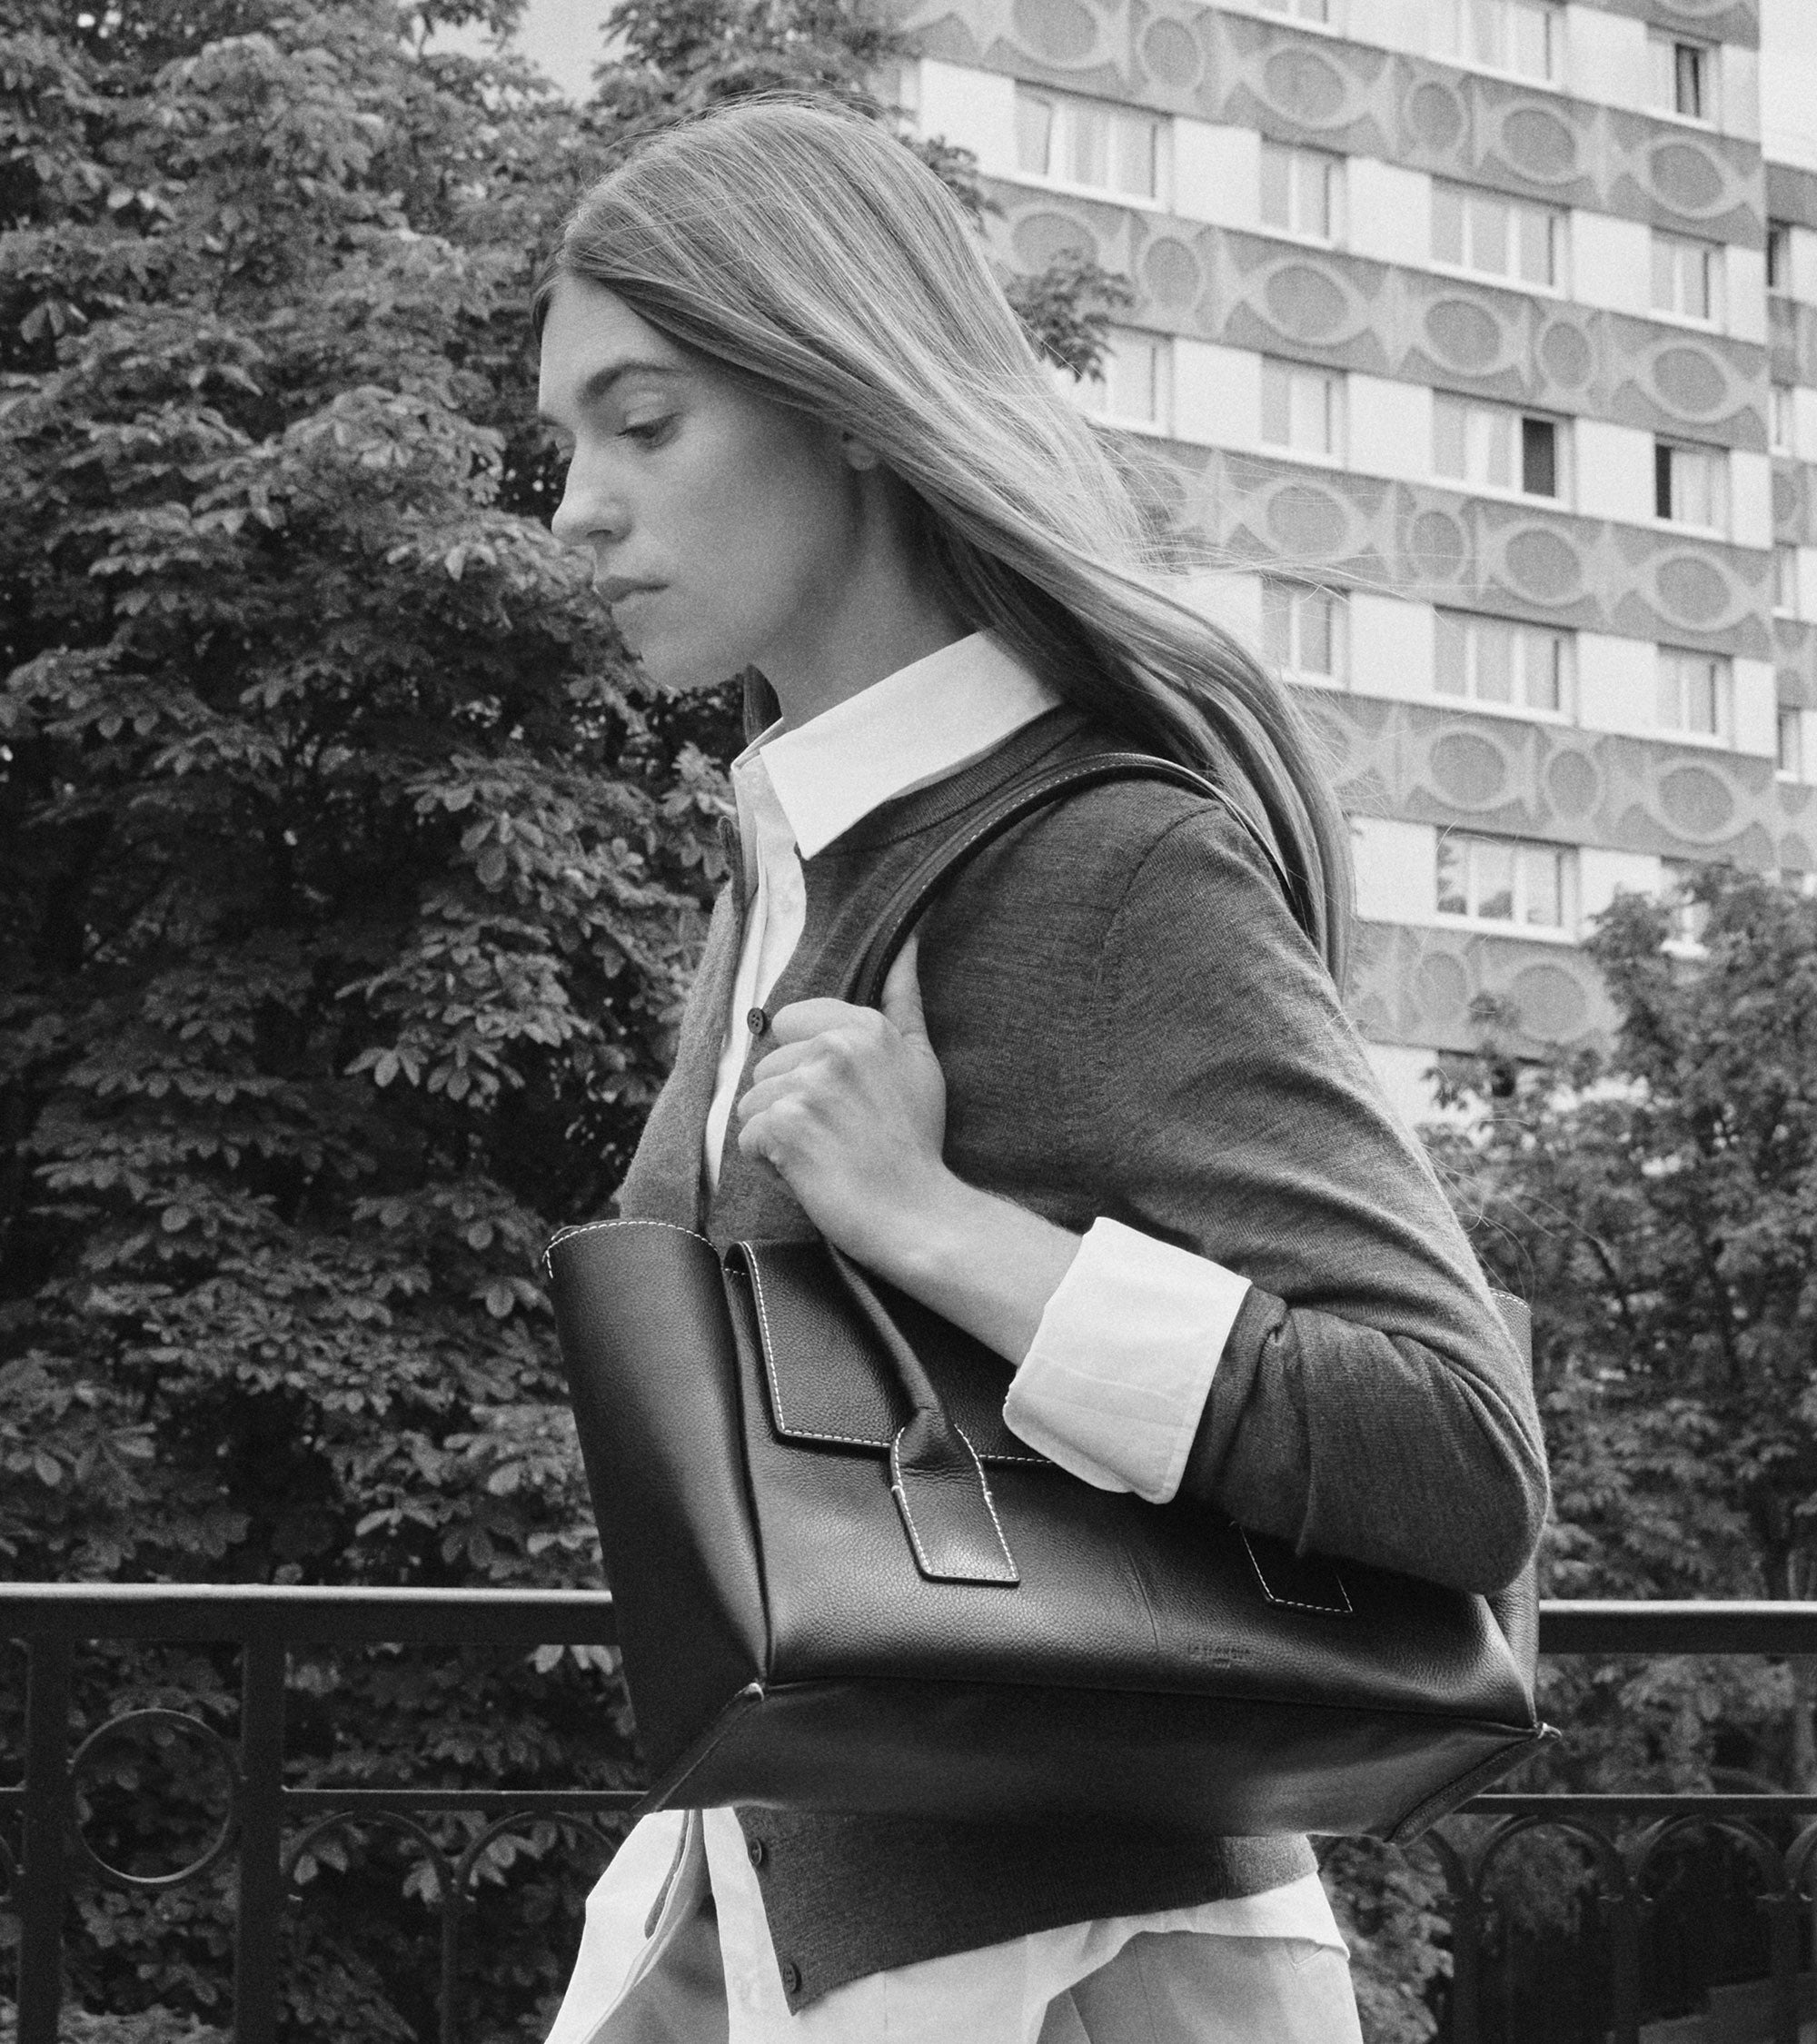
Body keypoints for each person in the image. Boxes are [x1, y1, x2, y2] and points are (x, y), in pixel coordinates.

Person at [531, 92, 1548, 2044]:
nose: (576, 505)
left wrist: (941, 1228)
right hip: (781, 1906)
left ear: (843, 399)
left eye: (642, 424)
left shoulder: (1103, 856)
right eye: (567, 438)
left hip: (1072, 1967)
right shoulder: (798, 861)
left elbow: (1458, 1452)